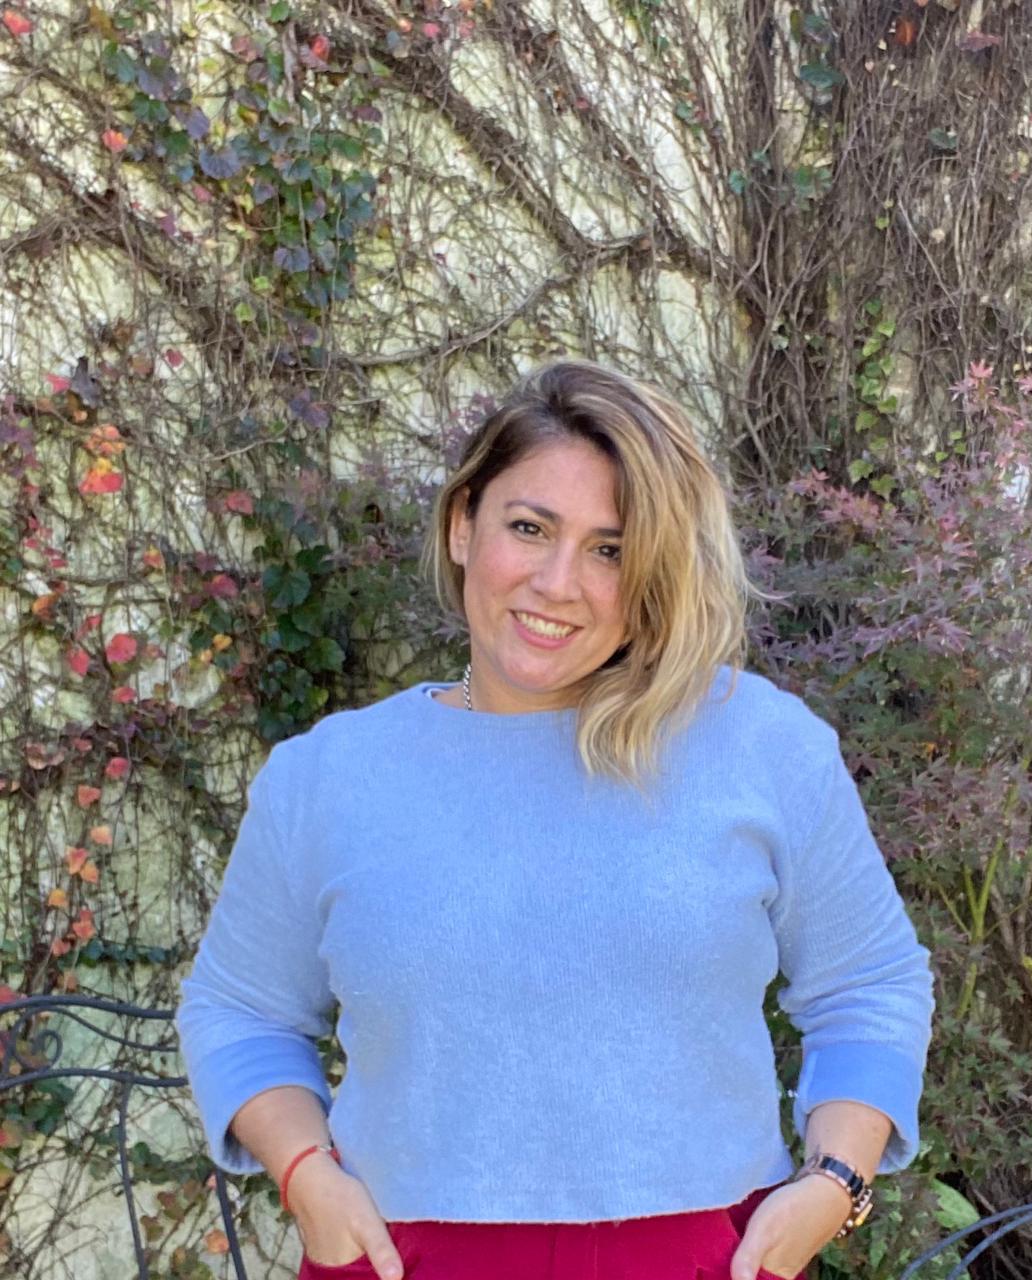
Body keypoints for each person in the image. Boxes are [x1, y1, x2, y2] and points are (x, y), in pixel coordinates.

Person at [175, 359, 935, 1280]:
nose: (558, 582)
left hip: (704, 1258)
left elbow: (870, 986)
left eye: (611, 550)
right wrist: (306, 1177)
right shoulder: (328, 777)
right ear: (463, 525)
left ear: (653, 573)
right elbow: (241, 1011)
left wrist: (834, 1182)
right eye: (529, 528)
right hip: (405, 1258)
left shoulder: (762, 747)